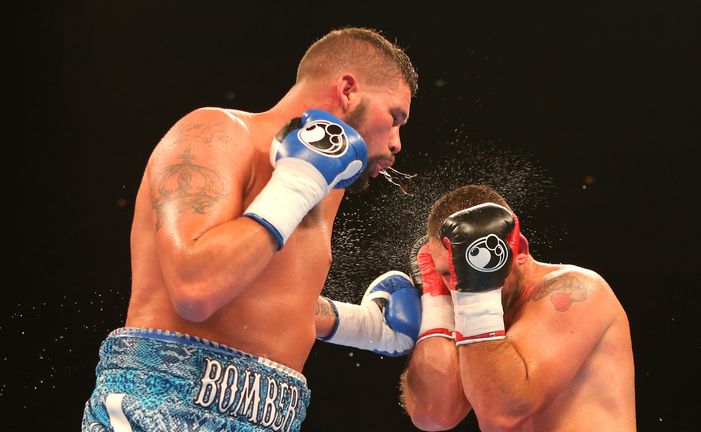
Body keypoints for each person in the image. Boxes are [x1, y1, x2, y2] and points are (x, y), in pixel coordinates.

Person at [82, 27, 421, 432]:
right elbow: (195, 288)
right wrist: (296, 184)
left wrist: (360, 324)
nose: (397, 143)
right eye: (394, 117)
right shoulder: (216, 133)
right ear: (347, 90)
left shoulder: (322, 187)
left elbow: (256, 299)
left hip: (274, 415)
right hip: (164, 404)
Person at [401, 184, 635, 431]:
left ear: (519, 250)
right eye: (447, 273)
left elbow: (503, 414)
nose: (458, 286)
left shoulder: (575, 290)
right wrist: (436, 303)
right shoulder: (468, 311)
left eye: (474, 265)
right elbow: (433, 414)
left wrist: (476, 290)